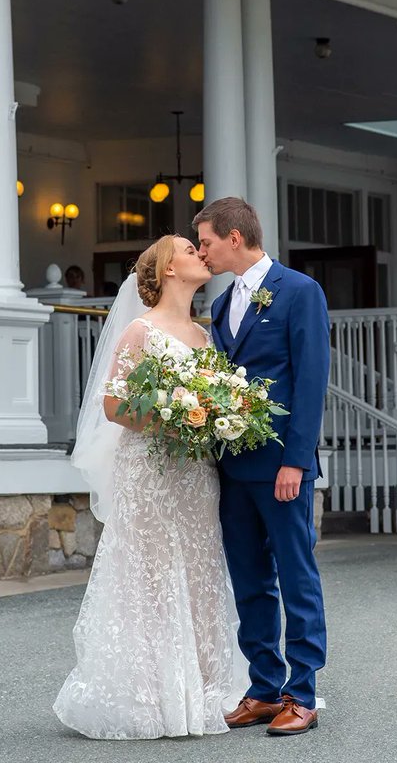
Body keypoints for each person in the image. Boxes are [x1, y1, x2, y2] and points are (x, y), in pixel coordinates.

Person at [53, 236, 244, 739]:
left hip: (196, 475)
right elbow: (114, 407)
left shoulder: (205, 338)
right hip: (150, 473)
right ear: (168, 269)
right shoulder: (141, 331)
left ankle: (202, 689)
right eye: (188, 248)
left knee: (201, 574)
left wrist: (211, 419)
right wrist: (175, 419)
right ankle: (149, 692)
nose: (199, 253)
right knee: (153, 576)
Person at [194, 197, 330, 737]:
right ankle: (264, 688)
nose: (201, 250)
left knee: (296, 576)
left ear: (233, 235)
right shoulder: (224, 301)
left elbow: (310, 379)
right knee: (248, 580)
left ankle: (303, 691)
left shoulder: (300, 291)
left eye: (205, 240)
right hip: (231, 469)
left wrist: (297, 459)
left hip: (281, 468)